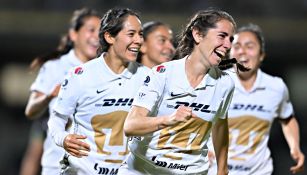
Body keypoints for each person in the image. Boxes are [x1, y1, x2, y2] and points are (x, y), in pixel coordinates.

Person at [118, 9, 247, 175]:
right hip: (143, 170)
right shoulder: (162, 74)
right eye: (222, 36)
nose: (228, 45)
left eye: (230, 39)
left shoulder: (225, 83)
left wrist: (222, 169)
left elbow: (220, 124)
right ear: (198, 34)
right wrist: (169, 119)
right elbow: (131, 126)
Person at [47, 7, 149, 175]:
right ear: (109, 36)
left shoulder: (148, 78)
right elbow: (57, 120)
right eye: (131, 34)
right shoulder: (80, 76)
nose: (138, 40)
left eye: (141, 34)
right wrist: (63, 138)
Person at [208, 23, 305, 174]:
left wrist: (294, 147)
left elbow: (287, 118)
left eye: (250, 46)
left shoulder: (276, 87)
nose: (242, 52)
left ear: (261, 56)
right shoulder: (214, 82)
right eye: (237, 46)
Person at [23, 7, 101, 175]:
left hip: (94, 165)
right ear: (74, 34)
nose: (96, 37)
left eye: (100, 32)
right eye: (91, 30)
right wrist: (48, 95)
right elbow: (31, 111)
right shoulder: (55, 67)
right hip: (58, 165)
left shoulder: (105, 69)